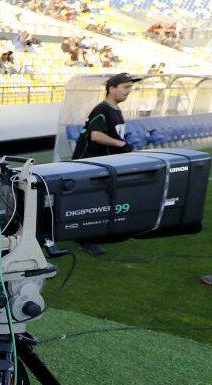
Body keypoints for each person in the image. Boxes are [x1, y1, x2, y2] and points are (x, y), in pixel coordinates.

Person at [72, 72, 140, 255]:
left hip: (103, 164)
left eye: (130, 88)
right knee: (90, 203)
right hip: (89, 164)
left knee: (106, 200)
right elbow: (96, 135)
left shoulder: (115, 109)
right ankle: (85, 239)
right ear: (111, 89)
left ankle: (101, 233)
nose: (129, 91)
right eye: (126, 87)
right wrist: (122, 144)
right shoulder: (103, 109)